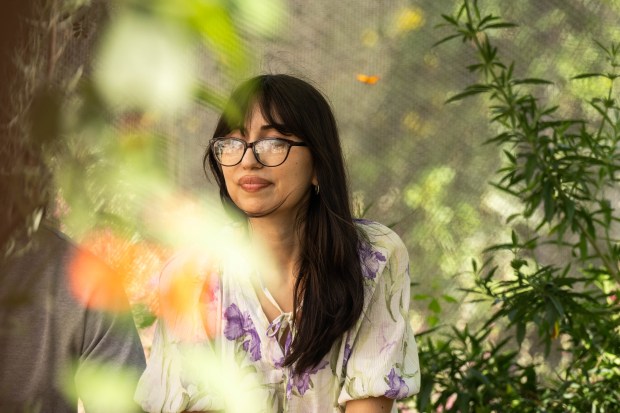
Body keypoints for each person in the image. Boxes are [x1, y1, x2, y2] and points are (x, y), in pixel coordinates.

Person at [135, 74, 420, 412]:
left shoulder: (373, 257)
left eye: (273, 142)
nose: (248, 159)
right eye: (233, 143)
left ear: (318, 164)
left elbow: (368, 404)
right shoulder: (193, 275)